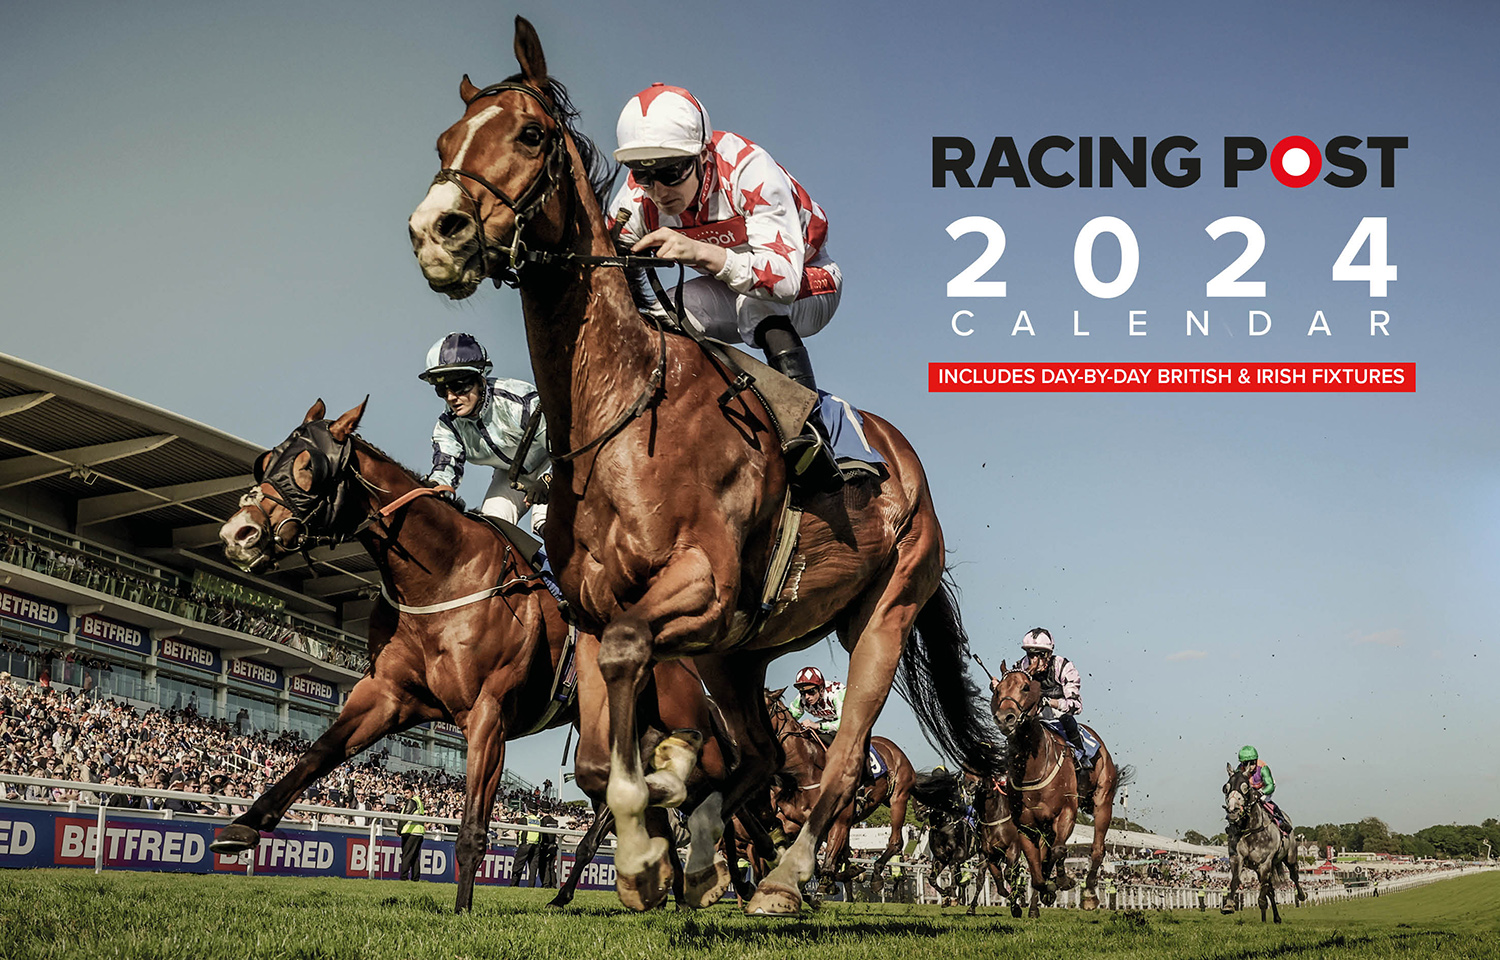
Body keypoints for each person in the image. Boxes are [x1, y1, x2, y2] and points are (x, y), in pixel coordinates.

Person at [609, 83, 844, 491]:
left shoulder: (750, 170)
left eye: (671, 172)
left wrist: (701, 252)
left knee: (755, 303)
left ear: (702, 156)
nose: (658, 191)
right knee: (665, 316)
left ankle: (808, 432)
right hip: (731, 285)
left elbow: (782, 280)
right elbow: (602, 262)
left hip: (809, 281)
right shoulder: (636, 197)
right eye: (643, 174)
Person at [421, 332, 550, 537]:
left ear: (480, 380)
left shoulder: (521, 402)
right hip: (510, 475)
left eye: (458, 386)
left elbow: (565, 448)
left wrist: (548, 479)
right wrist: (432, 488)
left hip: (554, 463)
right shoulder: (448, 426)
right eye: (442, 390)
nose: (451, 397)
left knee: (544, 522)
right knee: (490, 533)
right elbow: (445, 471)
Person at [991, 627, 1091, 773]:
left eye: (1040, 654)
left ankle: (1081, 757)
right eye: (1030, 654)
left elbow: (1076, 706)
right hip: (1033, 716)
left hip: (1058, 715)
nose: (1035, 660)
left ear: (1049, 653)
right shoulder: (1020, 667)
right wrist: (998, 688)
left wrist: (1050, 702)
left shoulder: (1064, 666)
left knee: (1068, 720)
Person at [1229, 745, 1293, 854]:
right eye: (1245, 763)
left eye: (1252, 763)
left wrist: (1260, 793)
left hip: (1265, 789)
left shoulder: (1263, 768)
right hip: (1250, 791)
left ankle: (1281, 821)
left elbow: (1270, 785)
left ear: (1256, 760)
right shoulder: (1240, 769)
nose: (1249, 766)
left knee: (1264, 802)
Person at [787, 666, 844, 746]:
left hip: (851, 721)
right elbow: (788, 720)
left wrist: (818, 725)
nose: (807, 697)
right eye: (803, 692)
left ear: (821, 689)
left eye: (811, 691)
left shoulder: (836, 694)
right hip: (829, 721)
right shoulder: (801, 699)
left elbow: (844, 723)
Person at [398, 785, 426, 881]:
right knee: (414, 857)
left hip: (411, 832)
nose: (405, 795)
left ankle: (404, 877)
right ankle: (415, 878)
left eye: (407, 793)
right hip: (418, 832)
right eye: (404, 793)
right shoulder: (418, 801)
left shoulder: (411, 802)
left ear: (412, 792)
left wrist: (399, 830)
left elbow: (404, 817)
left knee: (406, 855)